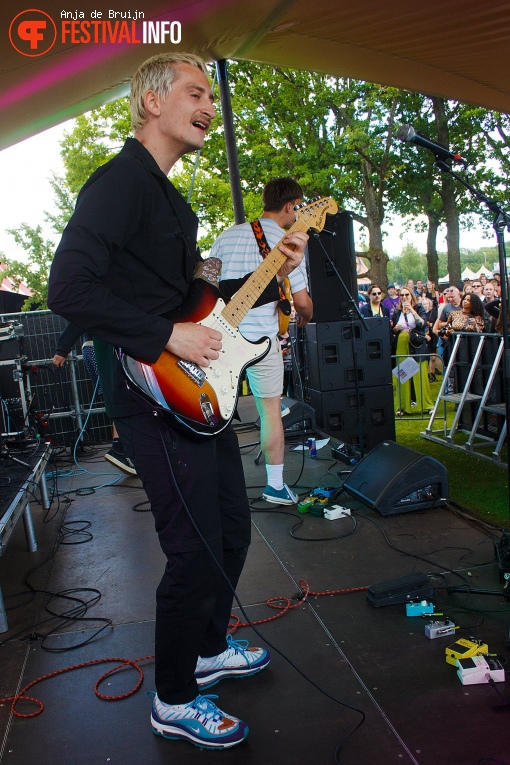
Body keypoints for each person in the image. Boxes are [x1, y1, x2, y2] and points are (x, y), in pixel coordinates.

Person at [48, 53, 308, 750]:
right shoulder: (118, 183)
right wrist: (168, 333)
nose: (209, 105)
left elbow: (194, 305)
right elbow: (67, 289)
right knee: (192, 549)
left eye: (210, 97)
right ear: (152, 101)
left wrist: (273, 272)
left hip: (195, 395)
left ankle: (206, 646)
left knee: (231, 527)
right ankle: (172, 696)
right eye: (196, 93)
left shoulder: (169, 196)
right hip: (151, 396)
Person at [211, 177, 312, 506]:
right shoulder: (288, 241)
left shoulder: (226, 236)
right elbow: (303, 303)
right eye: (298, 208)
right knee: (270, 412)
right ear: (290, 206)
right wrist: (305, 316)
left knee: (212, 410)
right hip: (263, 340)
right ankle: (274, 486)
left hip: (223, 337)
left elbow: (208, 285)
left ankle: (213, 486)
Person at [52, 322, 136, 475]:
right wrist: (62, 348)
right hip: (101, 348)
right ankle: (120, 448)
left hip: (95, 348)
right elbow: (79, 315)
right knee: (121, 397)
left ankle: (123, 448)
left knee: (119, 397)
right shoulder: (102, 299)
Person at [391, 287, 434, 415]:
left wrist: (411, 310)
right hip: (402, 343)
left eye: (407, 295)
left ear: (411, 296)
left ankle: (427, 405)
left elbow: (422, 324)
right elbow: (393, 330)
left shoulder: (419, 307)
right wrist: (396, 329)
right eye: (402, 295)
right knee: (403, 375)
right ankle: (403, 407)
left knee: (419, 374)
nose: (404, 297)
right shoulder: (397, 311)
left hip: (416, 344)